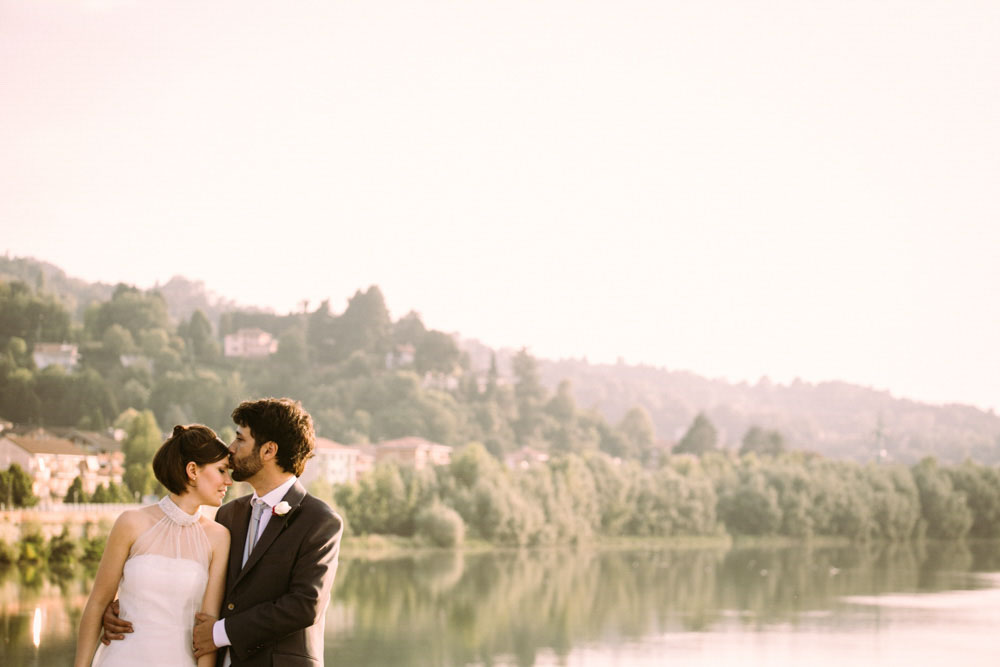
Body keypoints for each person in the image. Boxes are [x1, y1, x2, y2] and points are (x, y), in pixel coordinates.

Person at [103, 397, 344, 667]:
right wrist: (125, 607)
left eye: (240, 440)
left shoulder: (319, 521)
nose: (231, 449)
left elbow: (304, 605)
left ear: (268, 451)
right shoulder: (229, 515)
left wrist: (220, 632)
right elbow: (200, 584)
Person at [75, 425, 233, 667]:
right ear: (192, 470)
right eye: (222, 470)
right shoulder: (130, 523)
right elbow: (97, 602)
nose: (228, 481)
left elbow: (207, 626)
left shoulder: (219, 537)